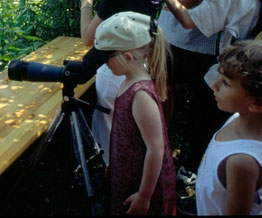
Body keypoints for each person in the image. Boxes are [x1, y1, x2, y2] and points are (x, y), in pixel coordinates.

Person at [158, 0, 261, 184]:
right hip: (173, 35)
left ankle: (189, 165)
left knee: (205, 107)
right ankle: (159, 146)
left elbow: (188, 19)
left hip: (206, 47)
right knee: (165, 90)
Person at [89, 11, 176, 215]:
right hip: (128, 171)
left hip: (143, 183)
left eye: (107, 58)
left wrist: (144, 196)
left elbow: (156, 149)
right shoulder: (127, 81)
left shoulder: (140, 95)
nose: (105, 64)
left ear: (128, 57)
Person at [80, 0, 163, 164]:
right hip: (139, 60)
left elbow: (88, 38)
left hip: (117, 68)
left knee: (116, 132)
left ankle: (117, 170)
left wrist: (86, 5)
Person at [196, 40, 262, 215]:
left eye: (225, 83)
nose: (215, 84)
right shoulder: (237, 117)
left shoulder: (242, 162)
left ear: (256, 105)